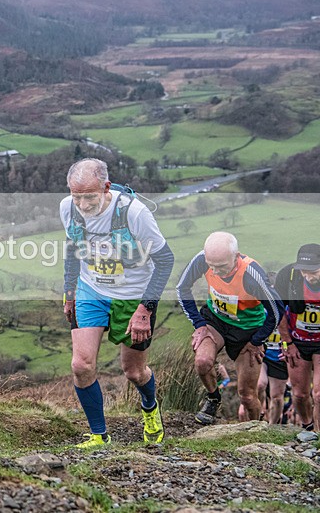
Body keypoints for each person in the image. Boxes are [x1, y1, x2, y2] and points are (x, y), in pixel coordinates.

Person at [61, 158, 174, 447]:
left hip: (133, 295)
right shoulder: (67, 208)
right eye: (77, 197)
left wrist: (144, 309)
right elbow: (73, 248)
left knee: (134, 371)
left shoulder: (134, 213)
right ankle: (99, 435)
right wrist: (69, 290)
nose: (83, 205)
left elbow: (165, 261)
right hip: (91, 290)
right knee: (81, 365)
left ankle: (150, 407)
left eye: (90, 197)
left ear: (106, 187)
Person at [176, 232, 284, 425]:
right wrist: (199, 324)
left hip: (248, 330)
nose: (216, 272)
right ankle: (213, 399)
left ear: (236, 257)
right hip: (216, 321)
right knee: (202, 361)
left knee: (248, 396)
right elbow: (182, 288)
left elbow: (277, 311)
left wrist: (257, 340)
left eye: (222, 267)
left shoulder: (252, 275)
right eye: (211, 267)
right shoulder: (202, 259)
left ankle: (255, 432)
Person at [275, 243, 320, 431]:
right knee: (300, 394)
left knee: (318, 394)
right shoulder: (288, 276)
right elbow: (277, 313)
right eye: (304, 272)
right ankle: (308, 427)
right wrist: (287, 342)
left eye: (315, 272)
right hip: (297, 341)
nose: (308, 276)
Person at [255, 327, 289, 424]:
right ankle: (258, 413)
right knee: (260, 384)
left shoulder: (286, 313)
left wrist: (286, 348)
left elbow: (290, 334)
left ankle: (272, 426)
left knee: (277, 398)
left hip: (279, 359)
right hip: (262, 354)